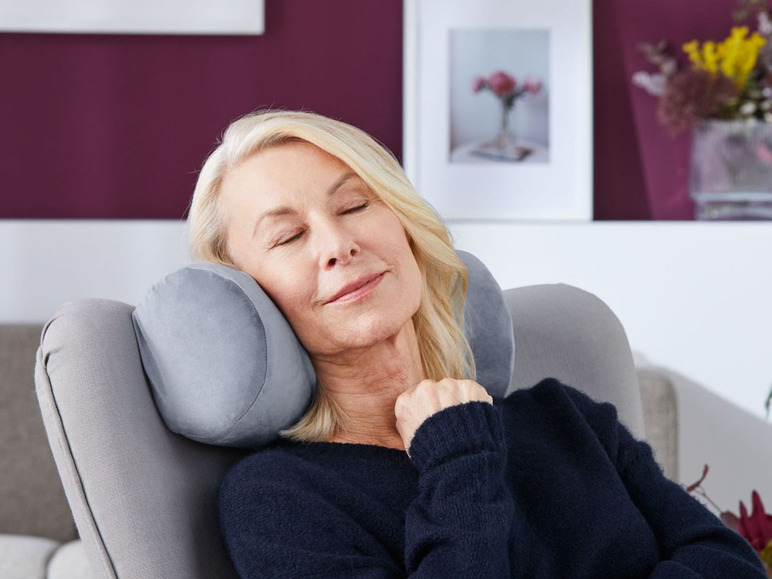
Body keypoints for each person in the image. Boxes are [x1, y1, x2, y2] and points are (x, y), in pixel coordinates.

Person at [188, 110, 766, 578]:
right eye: (288, 236)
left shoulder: (569, 418)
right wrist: (457, 458)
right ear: (249, 294)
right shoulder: (276, 500)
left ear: (407, 227)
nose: (338, 243)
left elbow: (731, 564)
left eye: (356, 205)